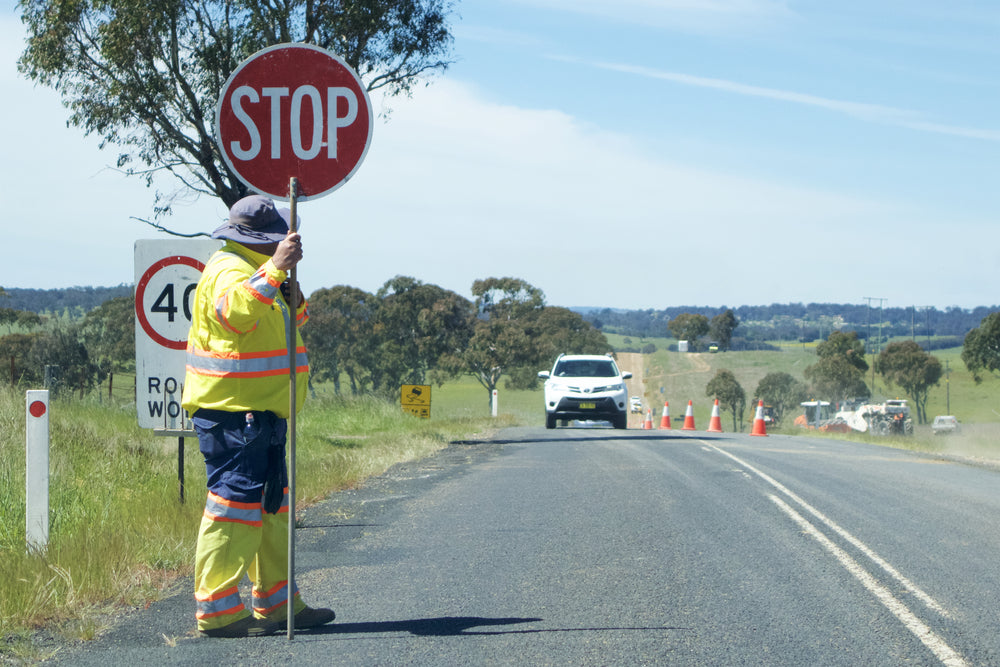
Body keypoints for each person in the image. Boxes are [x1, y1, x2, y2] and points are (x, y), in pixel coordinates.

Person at [181, 194, 335, 638]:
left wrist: (292, 291)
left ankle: (279, 603)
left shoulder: (258, 271)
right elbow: (235, 315)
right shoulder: (229, 268)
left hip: (262, 412)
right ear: (260, 240)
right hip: (234, 415)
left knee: (271, 508)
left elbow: (289, 320)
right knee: (234, 508)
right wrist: (275, 270)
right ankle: (218, 611)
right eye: (274, 240)